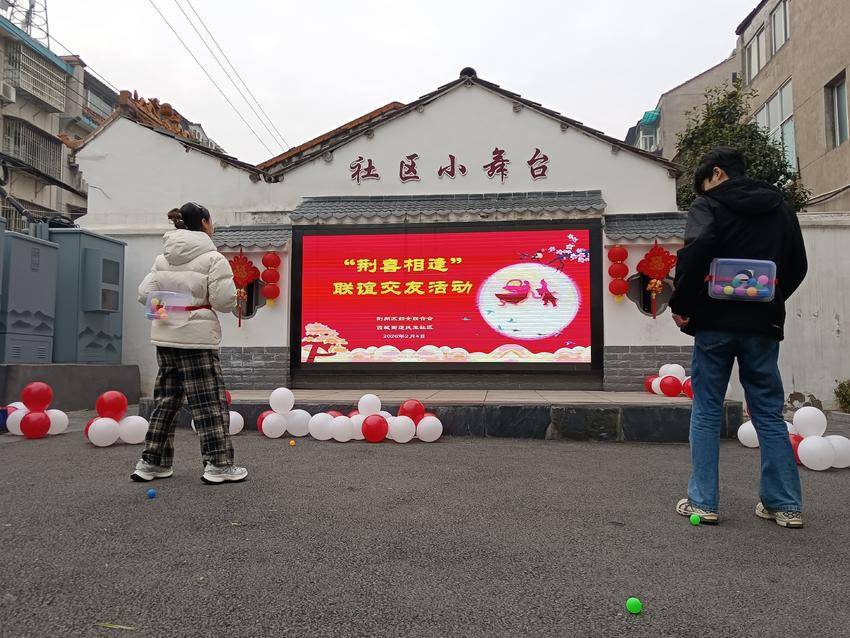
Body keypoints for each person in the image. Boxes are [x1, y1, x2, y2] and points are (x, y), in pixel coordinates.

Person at [669, 147, 807, 528]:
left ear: (716, 173)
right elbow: (798, 264)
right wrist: (769, 297)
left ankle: (703, 503)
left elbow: (696, 251)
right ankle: (785, 505)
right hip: (762, 326)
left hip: (714, 323)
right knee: (768, 412)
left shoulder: (709, 205)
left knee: (707, 409)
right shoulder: (779, 206)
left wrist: (682, 304)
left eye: (703, 183)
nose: (703, 191)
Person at [131, 202, 248, 485]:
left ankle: (152, 462)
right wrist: (235, 297)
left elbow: (144, 294)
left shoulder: (163, 258)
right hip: (197, 339)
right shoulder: (213, 258)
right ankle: (218, 464)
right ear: (205, 222)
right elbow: (222, 301)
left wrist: (171, 310)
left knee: (166, 402)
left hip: (166, 337)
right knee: (208, 402)